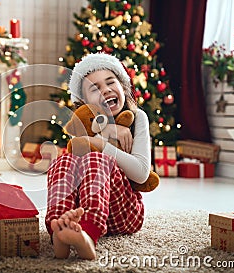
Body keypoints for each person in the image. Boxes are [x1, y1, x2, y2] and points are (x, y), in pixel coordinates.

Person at [45, 53, 151, 260]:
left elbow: (141, 174)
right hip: (80, 213)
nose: (106, 90)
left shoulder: (138, 118)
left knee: (96, 159)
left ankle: (88, 235)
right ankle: (59, 229)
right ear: (84, 103)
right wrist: (103, 133)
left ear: (123, 87)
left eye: (110, 82)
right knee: (64, 160)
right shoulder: (85, 124)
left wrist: (101, 144)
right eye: (95, 89)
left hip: (125, 212)